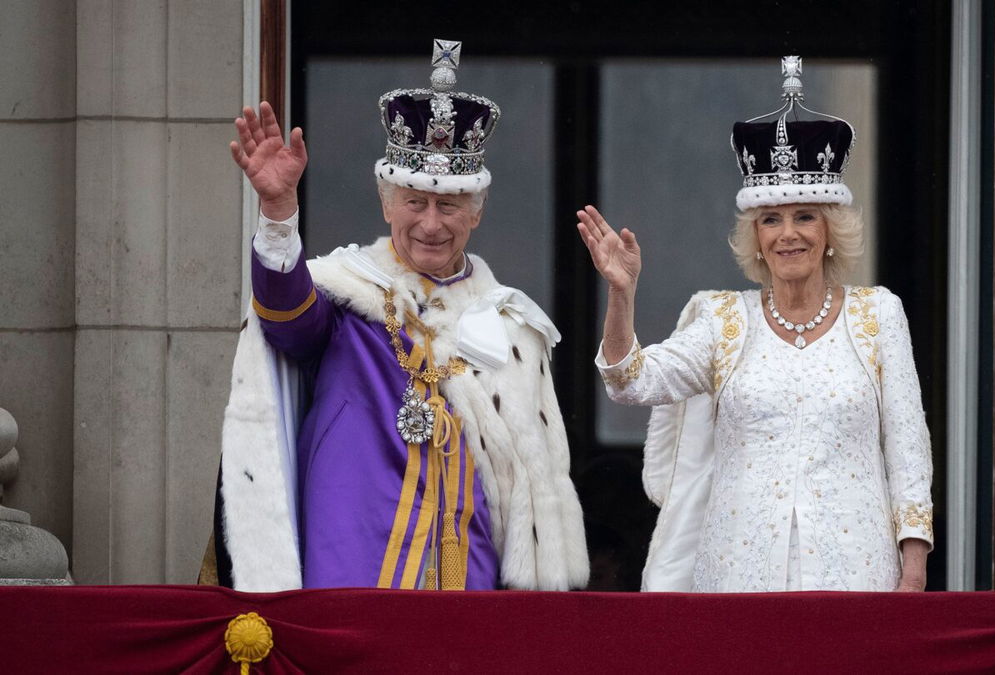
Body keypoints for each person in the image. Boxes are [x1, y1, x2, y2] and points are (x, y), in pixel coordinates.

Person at [211, 39, 588, 592]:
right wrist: (277, 214)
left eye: (448, 205)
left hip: (468, 566)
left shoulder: (510, 327)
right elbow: (287, 318)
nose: (430, 224)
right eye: (414, 202)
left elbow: (526, 491)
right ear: (387, 203)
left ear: (475, 214)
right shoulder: (348, 298)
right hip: (352, 557)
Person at [577, 57, 932, 592]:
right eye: (772, 219)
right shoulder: (724, 320)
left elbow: (908, 447)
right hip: (740, 575)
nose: (788, 234)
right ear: (757, 239)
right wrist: (621, 295)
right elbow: (632, 381)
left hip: (857, 572)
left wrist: (913, 566)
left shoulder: (878, 314)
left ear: (830, 229)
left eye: (805, 216)